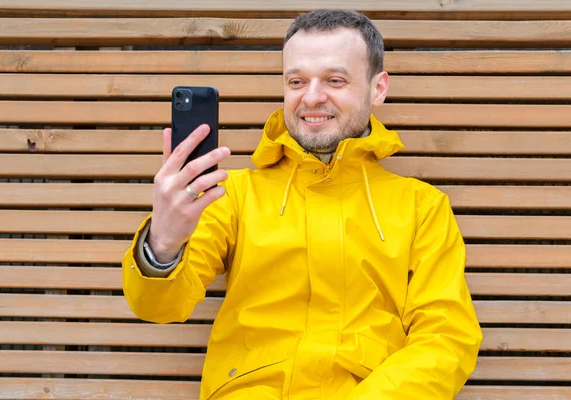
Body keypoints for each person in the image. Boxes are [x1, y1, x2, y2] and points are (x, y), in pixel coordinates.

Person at [122, 9, 482, 400]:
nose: (311, 97)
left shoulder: (421, 207)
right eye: (297, 81)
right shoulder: (232, 196)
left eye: (335, 80)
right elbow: (159, 307)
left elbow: (446, 338)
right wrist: (162, 246)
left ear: (378, 88)